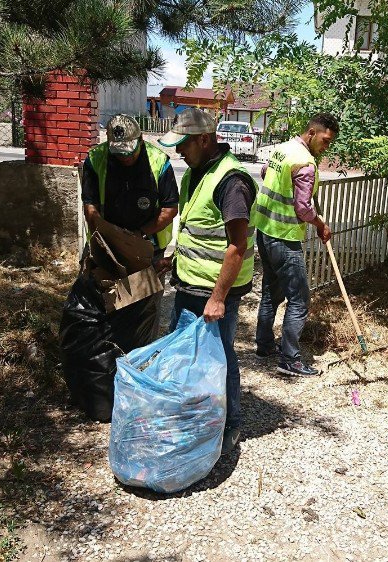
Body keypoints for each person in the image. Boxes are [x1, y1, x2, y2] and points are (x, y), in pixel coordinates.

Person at [158, 108, 257, 455]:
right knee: (186, 353)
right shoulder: (196, 173)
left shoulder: (232, 182)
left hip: (214, 292)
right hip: (188, 283)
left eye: (184, 144)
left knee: (220, 357)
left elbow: (237, 245)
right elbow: (192, 226)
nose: (179, 152)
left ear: (204, 139)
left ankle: (231, 423)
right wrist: (172, 254)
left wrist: (218, 298)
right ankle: (195, 413)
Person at [252, 113, 340, 376]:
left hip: (264, 231)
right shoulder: (305, 163)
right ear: (312, 133)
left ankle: (265, 346)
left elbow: (265, 171)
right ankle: (290, 360)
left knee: (271, 292)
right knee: (300, 300)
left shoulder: (282, 149)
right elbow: (302, 208)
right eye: (325, 141)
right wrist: (321, 224)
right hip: (285, 238)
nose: (326, 147)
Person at [81, 113, 177, 340]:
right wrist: (108, 238)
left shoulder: (158, 162)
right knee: (105, 303)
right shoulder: (96, 159)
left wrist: (137, 235)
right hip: (107, 248)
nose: (124, 158)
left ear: (141, 140)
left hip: (147, 248)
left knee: (145, 308)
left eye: (129, 152)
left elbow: (169, 209)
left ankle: (141, 355)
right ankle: (109, 350)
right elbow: (90, 206)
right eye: (119, 153)